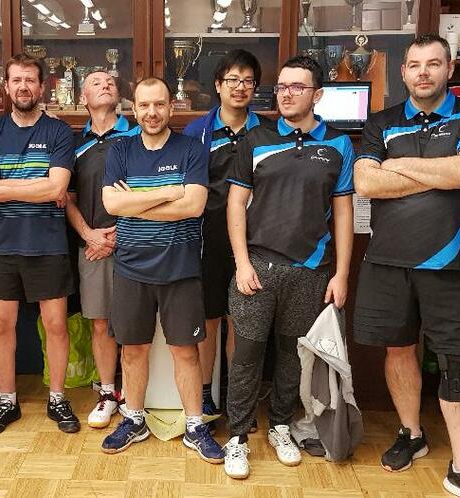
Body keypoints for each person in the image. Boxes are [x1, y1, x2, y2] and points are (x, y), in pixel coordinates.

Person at [352, 34, 460, 498]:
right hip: (387, 262)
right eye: (415, 64)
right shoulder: (382, 122)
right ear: (403, 72)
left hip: (452, 265)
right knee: (398, 351)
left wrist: (398, 166)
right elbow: (365, 183)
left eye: (433, 64)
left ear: (449, 69)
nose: (423, 72)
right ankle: (411, 434)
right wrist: (439, 172)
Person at [221, 55, 355, 479]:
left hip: (311, 271)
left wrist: (341, 274)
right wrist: (241, 263)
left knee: (291, 357)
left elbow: (344, 213)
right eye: (281, 86)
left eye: (298, 87)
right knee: (246, 356)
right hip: (257, 268)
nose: (287, 94)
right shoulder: (255, 139)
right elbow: (235, 204)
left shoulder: (339, 145)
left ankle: (280, 425)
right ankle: (238, 437)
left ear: (317, 94)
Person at [99, 77, 224, 464]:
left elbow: (194, 206)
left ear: (171, 107)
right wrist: (168, 192)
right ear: (133, 110)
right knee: (133, 350)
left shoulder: (191, 149)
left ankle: (195, 426)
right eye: (144, 105)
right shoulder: (121, 150)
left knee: (185, 351)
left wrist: (136, 201)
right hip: (131, 267)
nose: (151, 113)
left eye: (158, 104)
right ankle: (133, 419)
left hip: (180, 268)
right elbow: (112, 206)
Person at [0, 54, 80, 436]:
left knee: (55, 325)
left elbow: (57, 188)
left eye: (30, 80)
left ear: (42, 86)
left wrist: (5, 188)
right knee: (1, 325)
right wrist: (37, 187)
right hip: (2, 245)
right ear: (6, 86)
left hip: (48, 244)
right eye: (16, 80)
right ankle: (7, 400)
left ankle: (57, 398)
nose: (23, 87)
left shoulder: (59, 131)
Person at [183, 49, 273, 418]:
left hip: (256, 242)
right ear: (218, 85)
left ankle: (238, 396)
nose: (240, 87)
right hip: (207, 239)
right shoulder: (197, 132)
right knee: (208, 319)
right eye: (232, 80)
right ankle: (205, 393)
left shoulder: (268, 132)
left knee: (242, 320)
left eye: (248, 81)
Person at [66, 70, 140, 429]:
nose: (105, 84)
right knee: (101, 323)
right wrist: (90, 235)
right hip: (93, 247)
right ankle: (108, 393)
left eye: (110, 81)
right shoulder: (74, 145)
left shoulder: (138, 135)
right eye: (95, 82)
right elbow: (68, 198)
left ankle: (136, 395)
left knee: (136, 323)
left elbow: (148, 189)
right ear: (83, 98)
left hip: (137, 243)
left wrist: (118, 235)